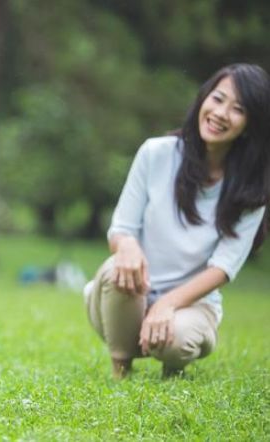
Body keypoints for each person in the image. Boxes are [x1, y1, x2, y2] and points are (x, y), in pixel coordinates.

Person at [84, 64, 270, 379]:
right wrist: (127, 246)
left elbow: (224, 267)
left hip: (193, 305)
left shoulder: (252, 190)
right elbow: (122, 228)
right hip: (134, 294)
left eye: (237, 109)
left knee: (175, 343)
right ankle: (121, 369)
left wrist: (167, 304)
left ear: (251, 125)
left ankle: (181, 355)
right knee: (117, 268)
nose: (221, 113)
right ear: (203, 100)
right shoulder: (156, 153)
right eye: (218, 98)